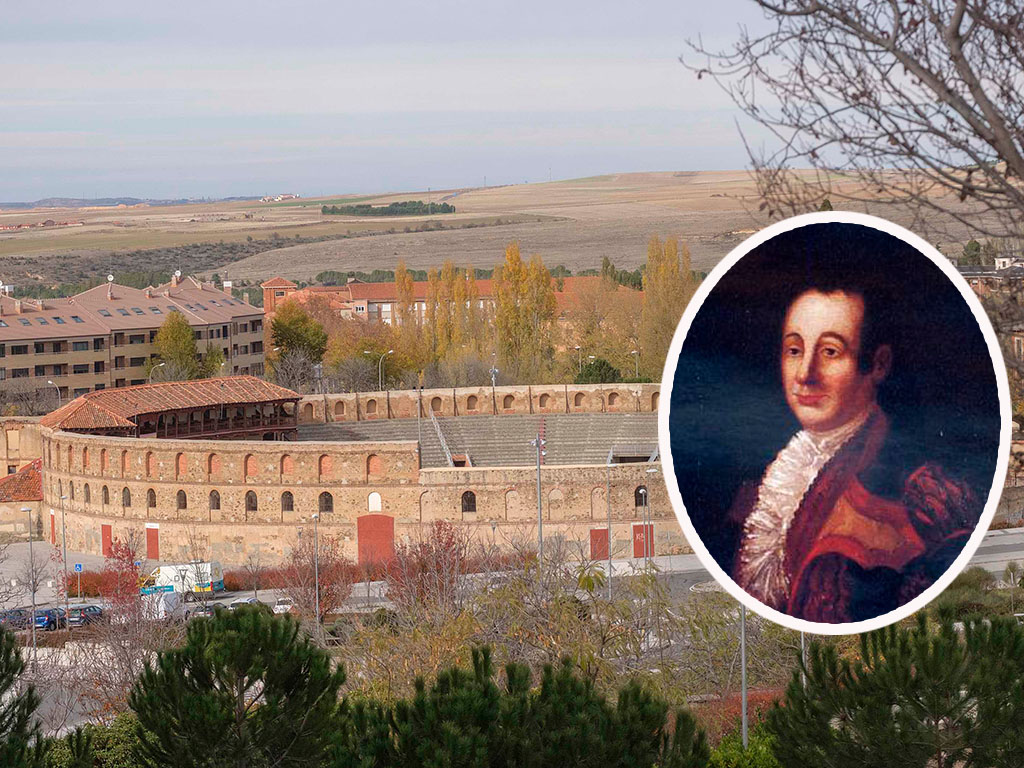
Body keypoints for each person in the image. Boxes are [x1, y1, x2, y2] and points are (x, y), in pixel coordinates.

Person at [729, 279, 980, 623]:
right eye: (795, 350)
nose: (805, 374)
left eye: (830, 352)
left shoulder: (920, 491)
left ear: (878, 364)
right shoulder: (770, 475)